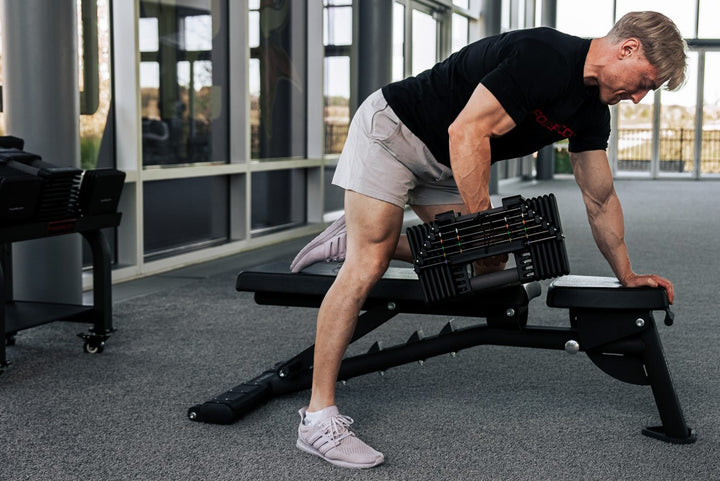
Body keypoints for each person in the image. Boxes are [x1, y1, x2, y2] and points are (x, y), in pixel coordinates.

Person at [291, 11, 686, 469]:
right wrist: (484, 231)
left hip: (446, 161)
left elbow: (599, 198)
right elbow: (468, 132)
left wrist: (627, 274)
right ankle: (317, 418)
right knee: (369, 263)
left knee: (489, 267)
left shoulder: (591, 111)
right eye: (643, 83)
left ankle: (357, 234)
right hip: (395, 132)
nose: (637, 98)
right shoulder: (544, 56)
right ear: (628, 48)